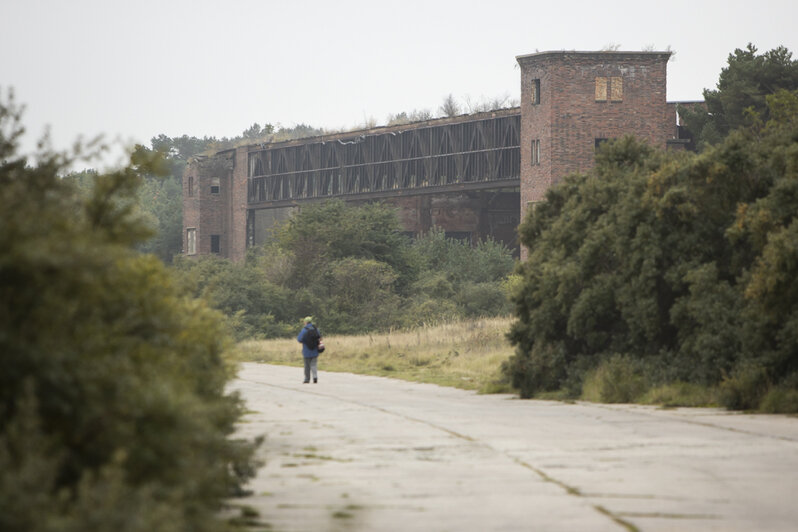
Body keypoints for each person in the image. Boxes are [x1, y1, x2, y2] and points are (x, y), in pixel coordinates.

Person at [297, 316, 321, 384]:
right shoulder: (316, 329)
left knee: (307, 366)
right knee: (314, 364)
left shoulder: (304, 329)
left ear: (306, 322)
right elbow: (319, 337)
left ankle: (307, 379)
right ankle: (315, 377)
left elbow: (299, 339)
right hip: (315, 350)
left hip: (306, 351)